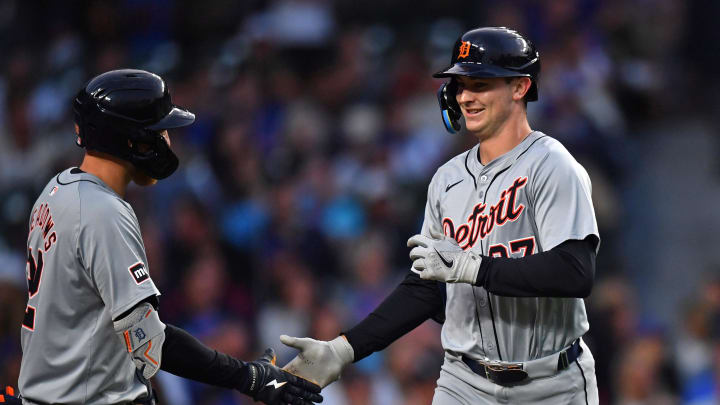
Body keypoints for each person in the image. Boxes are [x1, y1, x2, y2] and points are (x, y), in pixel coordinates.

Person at [280, 27, 601, 404]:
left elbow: (575, 271)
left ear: (519, 88)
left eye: (480, 84)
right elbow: (426, 288)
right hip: (464, 380)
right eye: (460, 85)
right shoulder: (446, 181)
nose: (465, 97)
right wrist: (344, 349)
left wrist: (474, 268)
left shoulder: (553, 166)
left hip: (553, 381)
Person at [11, 69, 323, 405]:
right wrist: (249, 377)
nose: (166, 142)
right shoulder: (103, 212)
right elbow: (150, 339)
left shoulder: (55, 190)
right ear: (129, 138)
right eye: (158, 132)